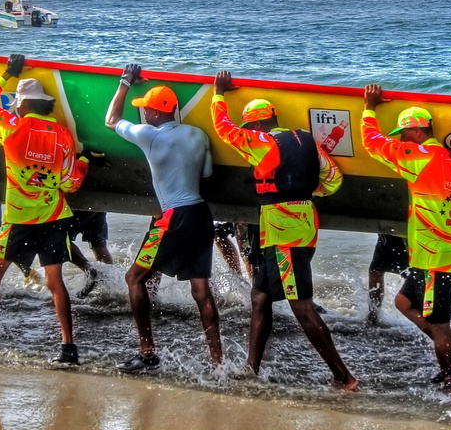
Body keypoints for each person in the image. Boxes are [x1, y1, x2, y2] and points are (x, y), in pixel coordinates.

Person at [212, 71, 357, 391]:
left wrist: (218, 94)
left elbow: (223, 129)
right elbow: (333, 179)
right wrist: (304, 191)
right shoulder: (307, 140)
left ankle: (344, 377)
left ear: (255, 125)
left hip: (286, 232)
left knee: (301, 305)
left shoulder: (260, 142)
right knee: (260, 297)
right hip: (296, 226)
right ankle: (252, 368)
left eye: (249, 126)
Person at [0, 54, 88, 364]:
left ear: (23, 105)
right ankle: (68, 348)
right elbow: (71, 183)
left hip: (19, 219)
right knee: (56, 283)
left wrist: (8, 74)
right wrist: (85, 162)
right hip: (55, 217)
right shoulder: (63, 135)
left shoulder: (11, 125)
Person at [103, 66, 224, 371]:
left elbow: (111, 120)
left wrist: (125, 83)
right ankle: (218, 362)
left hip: (174, 217)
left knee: (134, 278)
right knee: (201, 291)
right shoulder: (199, 135)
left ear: (157, 113)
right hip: (200, 215)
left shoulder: (149, 136)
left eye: (146, 109)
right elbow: (207, 176)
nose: (143, 114)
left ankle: (147, 353)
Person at [361, 85, 451, 390]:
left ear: (418, 133)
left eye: (404, 135)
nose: (400, 140)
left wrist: (370, 107)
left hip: (436, 257)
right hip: (443, 251)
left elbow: (372, 143)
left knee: (439, 321)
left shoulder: (420, 155)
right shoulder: (447, 160)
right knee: (404, 301)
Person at [366, 233, 410, 326]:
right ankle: (374, 315)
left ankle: (431, 321)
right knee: (375, 271)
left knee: (409, 275)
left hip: (401, 237)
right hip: (385, 235)